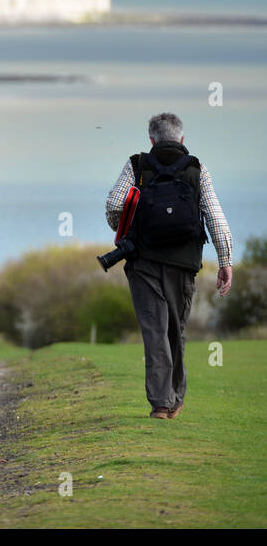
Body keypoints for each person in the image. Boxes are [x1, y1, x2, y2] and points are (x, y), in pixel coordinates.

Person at [105, 113, 233, 419]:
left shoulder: (137, 164)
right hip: (184, 263)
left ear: (151, 139)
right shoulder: (196, 168)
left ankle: (161, 403)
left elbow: (114, 205)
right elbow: (214, 216)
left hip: (144, 261)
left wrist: (122, 229)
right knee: (177, 330)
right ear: (182, 139)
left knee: (155, 331)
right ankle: (174, 400)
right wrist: (225, 260)